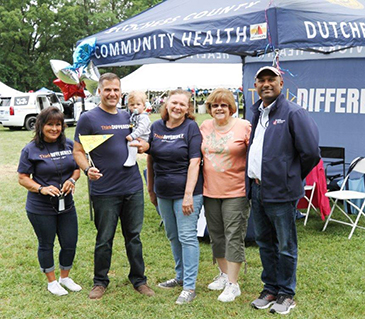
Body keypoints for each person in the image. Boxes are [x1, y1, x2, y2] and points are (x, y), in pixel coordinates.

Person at [73, 73, 154, 300]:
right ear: (99, 91)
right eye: (107, 89)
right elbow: (78, 151)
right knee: (104, 238)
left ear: (121, 92)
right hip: (105, 190)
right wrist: (88, 170)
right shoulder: (88, 118)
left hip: (132, 187)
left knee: (134, 237)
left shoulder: (129, 115)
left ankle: (139, 280)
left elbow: (145, 143)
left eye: (116, 90)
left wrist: (144, 145)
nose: (112, 94)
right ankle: (100, 281)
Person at [247, 66, 320, 315]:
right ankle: (270, 288)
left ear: (281, 83)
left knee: (286, 245)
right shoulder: (256, 112)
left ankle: (286, 293)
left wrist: (290, 176)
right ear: (255, 85)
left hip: (281, 192)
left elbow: (310, 153)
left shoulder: (293, 112)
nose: (266, 84)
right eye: (261, 80)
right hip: (257, 190)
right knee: (265, 243)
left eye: (271, 80)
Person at [146, 89, 203, 305]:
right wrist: (151, 190)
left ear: (188, 108)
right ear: (167, 104)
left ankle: (189, 286)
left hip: (187, 193)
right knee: (172, 235)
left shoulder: (191, 128)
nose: (178, 107)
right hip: (163, 192)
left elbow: (194, 162)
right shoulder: (156, 127)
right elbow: (150, 160)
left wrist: (188, 194)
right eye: (174, 103)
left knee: (187, 236)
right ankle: (179, 277)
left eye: (183, 104)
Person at [17, 107, 81, 296]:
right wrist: (41, 188)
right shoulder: (31, 149)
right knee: (46, 244)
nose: (54, 128)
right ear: (41, 125)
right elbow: (22, 177)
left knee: (70, 242)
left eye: (58, 124)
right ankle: (52, 282)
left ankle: (65, 277)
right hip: (40, 207)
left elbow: (77, 168)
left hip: (66, 204)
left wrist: (72, 180)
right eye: (50, 124)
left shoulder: (69, 145)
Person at [200, 88, 251, 303]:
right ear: (210, 109)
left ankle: (233, 284)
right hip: (210, 191)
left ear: (231, 108)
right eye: (214, 105)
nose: (219, 108)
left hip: (236, 191)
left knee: (233, 236)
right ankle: (223, 274)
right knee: (216, 235)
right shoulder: (204, 126)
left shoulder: (244, 126)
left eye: (223, 105)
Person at [124, 91, 151, 167]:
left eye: (138, 104)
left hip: (142, 137)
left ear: (144, 106)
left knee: (132, 143)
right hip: (135, 135)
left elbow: (141, 129)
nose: (135, 106)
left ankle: (131, 160)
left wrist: (132, 136)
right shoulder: (134, 115)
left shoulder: (144, 117)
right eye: (132, 105)